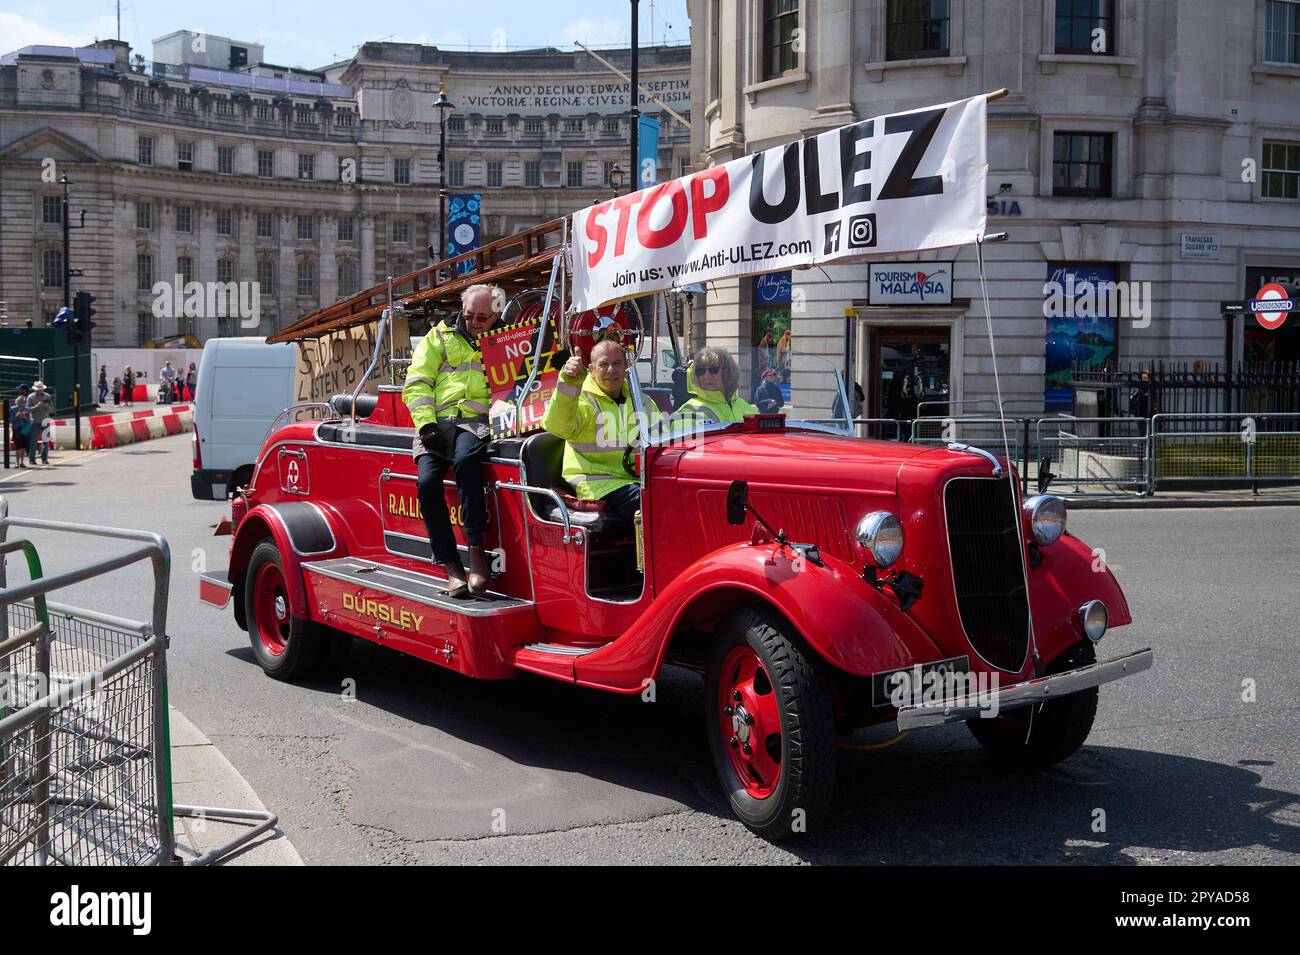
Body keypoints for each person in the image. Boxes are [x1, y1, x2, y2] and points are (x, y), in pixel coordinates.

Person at [403, 284, 501, 598]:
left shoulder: (506, 340)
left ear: (494, 315)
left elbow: (529, 374)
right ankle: (450, 566)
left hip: (475, 423)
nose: (474, 322)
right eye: (469, 315)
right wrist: (426, 425)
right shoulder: (438, 336)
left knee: (467, 460)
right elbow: (417, 383)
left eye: (482, 318)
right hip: (435, 424)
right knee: (427, 483)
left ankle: (476, 552)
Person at [542, 335, 661, 524]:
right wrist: (568, 382)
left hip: (636, 480)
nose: (611, 370)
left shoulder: (641, 400)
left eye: (617, 363)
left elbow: (663, 439)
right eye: (604, 364)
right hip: (598, 483)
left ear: (626, 366)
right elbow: (557, 426)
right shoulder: (582, 399)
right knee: (650, 503)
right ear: (591, 369)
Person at [671, 345, 758, 430]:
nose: (707, 376)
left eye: (713, 370)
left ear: (728, 372)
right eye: (701, 371)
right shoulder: (688, 413)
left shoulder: (747, 408)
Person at [26, 380, 54, 465]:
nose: (39, 391)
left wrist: (47, 406)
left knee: (46, 442)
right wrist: (37, 406)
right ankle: (32, 459)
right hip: (34, 421)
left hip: (45, 421)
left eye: (41, 389)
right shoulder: (30, 397)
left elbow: (51, 410)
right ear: (35, 390)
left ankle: (44, 459)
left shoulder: (47, 396)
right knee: (33, 442)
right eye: (38, 389)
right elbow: (28, 409)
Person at [10, 385, 31, 468]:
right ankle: (16, 462)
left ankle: (22, 462)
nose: (22, 403)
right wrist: (17, 416)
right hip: (17, 429)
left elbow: (29, 420)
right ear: (17, 402)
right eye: (21, 402)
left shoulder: (27, 409)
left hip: (25, 429)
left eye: (24, 402)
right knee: (18, 447)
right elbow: (11, 420)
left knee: (23, 447)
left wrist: (25, 417)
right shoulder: (13, 409)